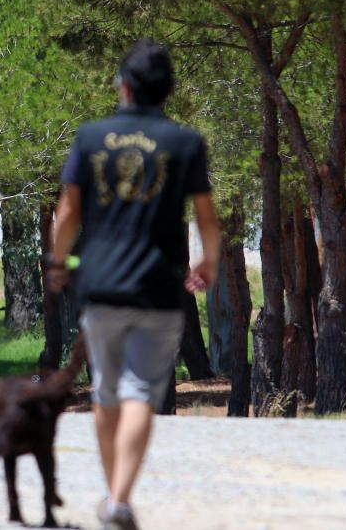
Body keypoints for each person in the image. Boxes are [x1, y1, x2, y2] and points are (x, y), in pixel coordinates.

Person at [47, 39, 221, 530]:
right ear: (167, 91)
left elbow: (67, 213)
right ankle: (120, 499)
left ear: (123, 86)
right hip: (160, 288)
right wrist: (209, 263)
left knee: (105, 391)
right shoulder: (186, 142)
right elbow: (207, 217)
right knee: (141, 393)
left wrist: (58, 264)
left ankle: (111, 494)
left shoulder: (90, 137)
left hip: (101, 285)